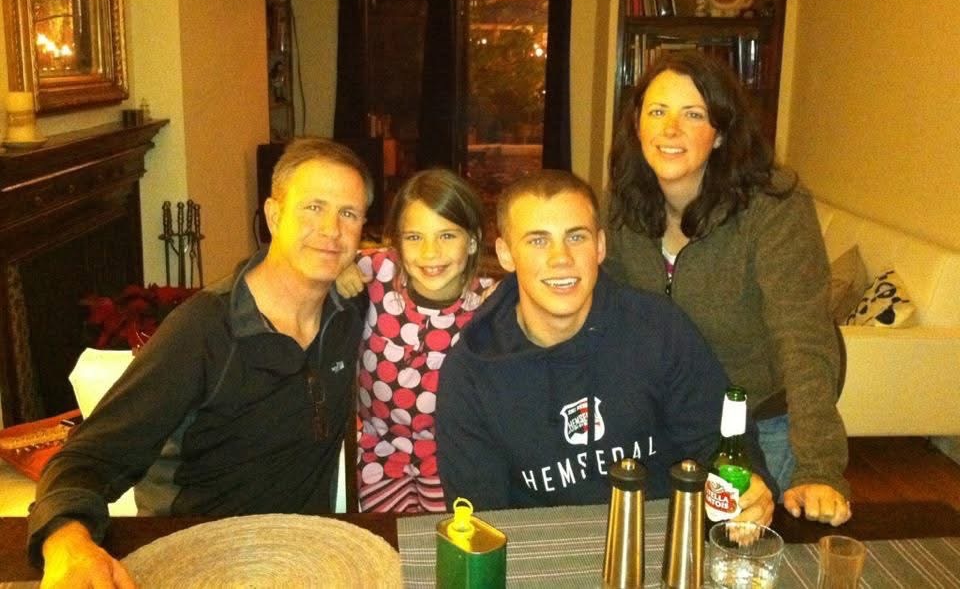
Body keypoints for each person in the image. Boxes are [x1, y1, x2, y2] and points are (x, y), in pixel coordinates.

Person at [27, 137, 374, 584]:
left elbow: (428, 264)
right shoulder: (204, 330)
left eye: (348, 214)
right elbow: (89, 456)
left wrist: (356, 266)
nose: (331, 229)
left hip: (307, 559)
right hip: (198, 560)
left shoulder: (351, 310)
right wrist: (68, 544)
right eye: (313, 207)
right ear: (273, 216)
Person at [435, 170, 775, 524]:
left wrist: (747, 486)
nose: (561, 258)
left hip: (662, 537)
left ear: (600, 246)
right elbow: (481, 522)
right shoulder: (470, 374)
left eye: (576, 237)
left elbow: (719, 440)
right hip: (542, 548)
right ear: (506, 254)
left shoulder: (659, 329)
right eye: (538, 241)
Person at [605, 50, 852, 526]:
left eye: (693, 114)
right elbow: (603, 317)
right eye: (657, 111)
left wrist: (819, 468)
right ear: (637, 126)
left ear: (719, 133)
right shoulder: (620, 206)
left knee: (745, 548)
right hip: (667, 424)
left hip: (760, 421)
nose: (670, 129)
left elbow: (803, 338)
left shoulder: (773, 206)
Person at [336, 169, 492, 512]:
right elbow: (321, 259)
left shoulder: (488, 305)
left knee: (444, 538)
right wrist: (340, 267)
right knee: (385, 539)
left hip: (449, 459)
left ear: (472, 241)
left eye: (447, 235)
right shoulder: (376, 272)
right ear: (396, 242)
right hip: (378, 453)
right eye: (414, 237)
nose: (430, 253)